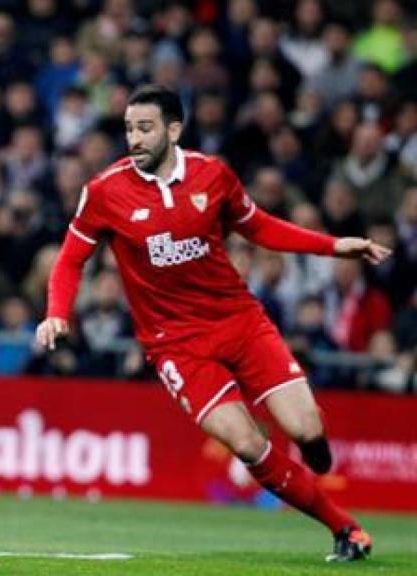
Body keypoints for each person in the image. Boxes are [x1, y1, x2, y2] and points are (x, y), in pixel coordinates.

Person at [35, 85, 389, 563]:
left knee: (306, 428)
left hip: (239, 320)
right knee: (247, 443)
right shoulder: (104, 191)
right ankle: (344, 528)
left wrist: (333, 245)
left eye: (145, 128)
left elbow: (259, 226)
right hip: (175, 344)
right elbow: (71, 260)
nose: (134, 139)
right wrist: (58, 313)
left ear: (173, 129)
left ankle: (314, 449)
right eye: (128, 129)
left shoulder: (212, 175)